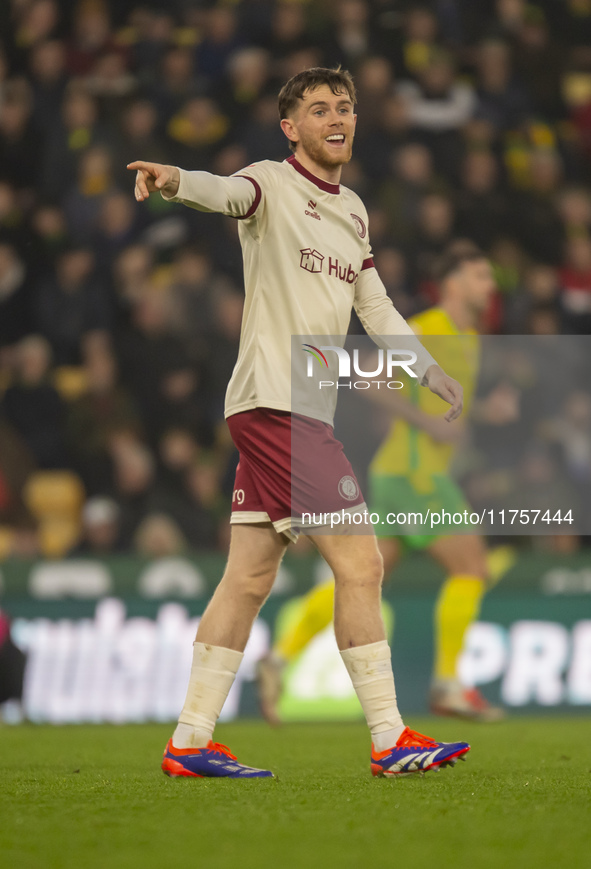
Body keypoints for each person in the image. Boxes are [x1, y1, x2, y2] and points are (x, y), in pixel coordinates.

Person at [128, 67, 470, 780]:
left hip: (294, 405)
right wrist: (171, 180)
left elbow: (373, 308)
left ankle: (189, 742)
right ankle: (388, 737)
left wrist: (425, 369)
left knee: (247, 579)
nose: (336, 118)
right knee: (361, 562)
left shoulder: (352, 211)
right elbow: (223, 192)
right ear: (292, 128)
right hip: (276, 402)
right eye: (319, 109)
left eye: (343, 107)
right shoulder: (269, 185)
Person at [257, 245, 506, 725]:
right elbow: (369, 379)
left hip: (402, 477)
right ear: (452, 283)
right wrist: (426, 425)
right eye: (480, 275)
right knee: (472, 566)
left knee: (362, 576)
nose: (489, 285)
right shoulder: (428, 328)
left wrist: (481, 413)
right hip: (415, 475)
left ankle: (280, 656)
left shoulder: (468, 337)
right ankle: (448, 684)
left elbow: (444, 406)